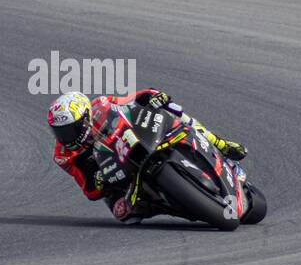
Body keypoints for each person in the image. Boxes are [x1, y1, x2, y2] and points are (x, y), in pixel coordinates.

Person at [47, 89, 246, 222]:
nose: (66, 137)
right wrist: (97, 181)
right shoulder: (63, 155)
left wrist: (153, 95)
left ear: (85, 117)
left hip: (139, 139)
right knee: (123, 214)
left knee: (169, 107)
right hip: (116, 177)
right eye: (60, 132)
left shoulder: (101, 105)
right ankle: (176, 205)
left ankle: (220, 143)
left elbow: (133, 98)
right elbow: (88, 190)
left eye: (70, 129)